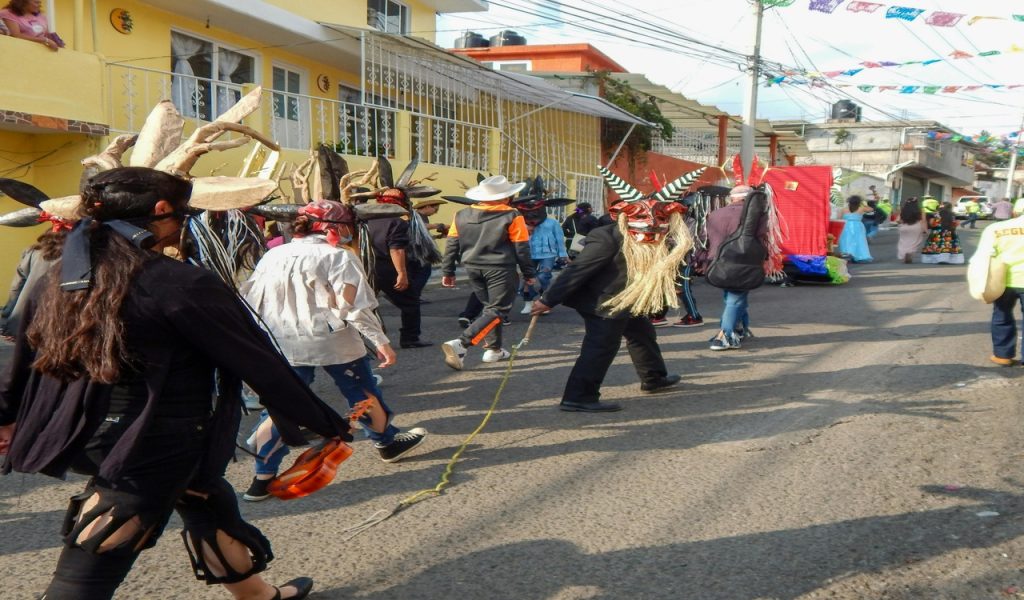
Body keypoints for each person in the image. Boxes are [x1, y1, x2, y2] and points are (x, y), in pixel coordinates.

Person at [0, 167, 348, 599]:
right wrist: (326, 425)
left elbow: (24, 356)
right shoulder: (178, 282)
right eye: (185, 216)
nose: (186, 227)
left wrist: (7, 417)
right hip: (154, 443)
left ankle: (258, 595)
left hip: (91, 433)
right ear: (162, 210)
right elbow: (259, 362)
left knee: (206, 498)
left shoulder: (59, 276)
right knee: (89, 567)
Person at [239, 200, 426, 501]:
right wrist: (381, 342)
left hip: (282, 340)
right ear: (337, 228)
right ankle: (386, 442)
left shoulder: (273, 254)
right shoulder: (338, 256)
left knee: (283, 406)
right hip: (332, 338)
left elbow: (251, 297)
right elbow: (351, 307)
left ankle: (261, 479)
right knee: (361, 392)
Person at [529, 168, 695, 412]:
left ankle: (654, 378)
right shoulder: (607, 237)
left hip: (630, 299)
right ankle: (579, 396)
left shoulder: (656, 236)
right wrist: (548, 299)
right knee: (601, 345)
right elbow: (578, 270)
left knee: (642, 333)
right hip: (603, 303)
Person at [440, 176, 536, 370]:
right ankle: (462, 343)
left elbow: (451, 244)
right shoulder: (512, 215)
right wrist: (529, 273)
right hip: (501, 268)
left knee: (490, 309)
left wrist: (448, 270)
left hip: (472, 267)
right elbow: (521, 247)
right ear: (506, 197)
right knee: (498, 309)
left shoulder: (461, 214)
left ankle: (494, 349)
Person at [705, 185, 768, 351]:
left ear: (731, 198)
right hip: (742, 261)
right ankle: (724, 335)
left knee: (732, 295)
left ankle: (739, 328)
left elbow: (709, 239)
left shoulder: (714, 214)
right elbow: (761, 237)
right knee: (736, 298)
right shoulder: (755, 216)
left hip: (717, 262)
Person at [970, 210, 1024, 366]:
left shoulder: (996, 228)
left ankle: (1003, 355)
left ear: (1015, 212)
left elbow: (985, 254)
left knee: (1002, 315)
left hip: (1002, 281)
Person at [517, 201, 567, 315]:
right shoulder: (521, 224)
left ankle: (545, 299)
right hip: (529, 254)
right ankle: (528, 302)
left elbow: (559, 239)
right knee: (528, 278)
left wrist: (563, 254)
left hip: (548, 254)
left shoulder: (552, 223)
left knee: (544, 276)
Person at [411, 198, 448, 298]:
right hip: (416, 251)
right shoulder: (415, 215)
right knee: (423, 272)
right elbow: (419, 226)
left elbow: (421, 234)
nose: (435, 212)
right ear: (427, 206)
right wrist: (439, 225)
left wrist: (437, 237)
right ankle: (413, 296)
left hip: (418, 250)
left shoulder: (422, 216)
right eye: (435, 209)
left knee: (418, 274)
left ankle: (414, 296)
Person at [837, 196, 873, 263]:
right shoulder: (861, 209)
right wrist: (864, 203)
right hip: (858, 226)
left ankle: (847, 255)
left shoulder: (843, 209)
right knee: (859, 241)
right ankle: (859, 255)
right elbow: (871, 209)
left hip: (846, 226)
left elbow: (839, 218)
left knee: (846, 241)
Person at [896, 197, 928, 264]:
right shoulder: (921, 210)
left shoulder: (903, 210)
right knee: (915, 242)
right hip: (916, 227)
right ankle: (910, 252)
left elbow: (898, 220)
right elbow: (923, 221)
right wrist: (925, 230)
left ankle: (904, 255)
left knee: (903, 242)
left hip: (904, 227)